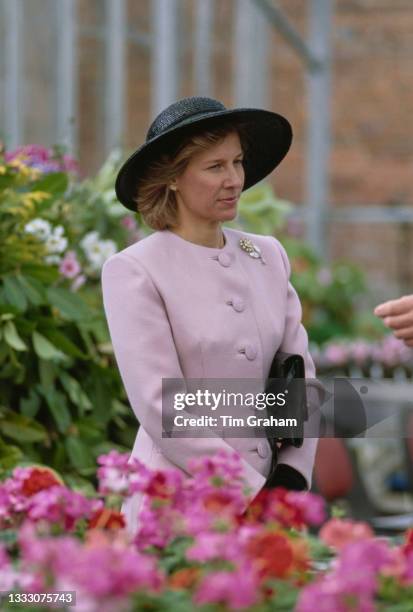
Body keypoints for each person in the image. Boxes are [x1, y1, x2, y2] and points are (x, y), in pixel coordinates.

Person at [101, 96, 322, 536]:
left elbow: (298, 373)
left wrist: (290, 479)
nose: (235, 179)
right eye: (215, 167)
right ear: (174, 178)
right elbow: (161, 404)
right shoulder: (134, 269)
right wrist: (246, 490)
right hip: (177, 504)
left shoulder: (268, 256)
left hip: (272, 503)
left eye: (237, 162)